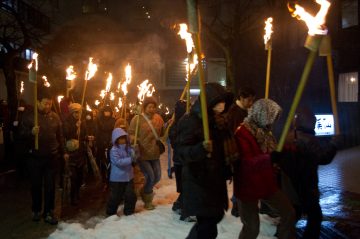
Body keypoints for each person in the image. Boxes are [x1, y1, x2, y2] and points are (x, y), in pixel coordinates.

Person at [177, 83, 236, 239]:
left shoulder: (218, 122)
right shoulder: (191, 121)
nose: (221, 105)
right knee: (208, 226)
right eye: (218, 102)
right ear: (209, 102)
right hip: (199, 180)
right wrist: (200, 149)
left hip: (214, 180)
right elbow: (181, 152)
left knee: (214, 218)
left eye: (223, 101)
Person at [233, 98, 296, 239]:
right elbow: (246, 164)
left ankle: (283, 235)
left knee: (288, 212)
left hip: (265, 182)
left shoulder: (265, 132)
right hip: (247, 186)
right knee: (252, 228)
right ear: (262, 114)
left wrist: (288, 149)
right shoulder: (242, 133)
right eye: (271, 117)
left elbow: (273, 151)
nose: (272, 122)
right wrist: (271, 158)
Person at [273, 107, 338, 239]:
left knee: (293, 213)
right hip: (306, 184)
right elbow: (323, 158)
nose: (314, 122)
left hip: (290, 183)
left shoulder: (287, 136)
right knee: (315, 216)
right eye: (312, 120)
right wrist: (334, 144)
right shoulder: (308, 140)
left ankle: (280, 235)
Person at [19, 86, 65, 225]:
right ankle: (36, 210)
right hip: (34, 158)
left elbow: (60, 136)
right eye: (45, 103)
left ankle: (49, 212)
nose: (48, 106)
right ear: (37, 102)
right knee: (36, 185)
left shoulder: (54, 116)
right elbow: (20, 134)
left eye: (50, 103)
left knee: (50, 186)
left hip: (51, 157)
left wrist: (63, 152)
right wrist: (30, 133)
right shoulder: (29, 116)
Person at [128, 96, 164, 210]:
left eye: (153, 107)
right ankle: (147, 199)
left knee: (157, 176)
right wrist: (133, 139)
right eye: (149, 107)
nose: (152, 109)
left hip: (154, 152)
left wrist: (168, 125)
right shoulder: (137, 119)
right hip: (143, 153)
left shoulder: (158, 118)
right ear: (144, 107)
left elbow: (162, 132)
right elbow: (131, 133)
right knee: (150, 176)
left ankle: (144, 191)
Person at [226, 87, 255, 217]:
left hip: (241, 151)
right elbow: (235, 134)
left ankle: (238, 204)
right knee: (240, 179)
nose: (251, 103)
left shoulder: (243, 111)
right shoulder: (235, 113)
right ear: (242, 98)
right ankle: (237, 207)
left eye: (252, 100)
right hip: (237, 152)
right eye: (249, 100)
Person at [169, 100, 195, 222]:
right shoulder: (175, 126)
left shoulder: (186, 123)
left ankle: (179, 205)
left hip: (186, 160)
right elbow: (177, 144)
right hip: (181, 161)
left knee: (187, 187)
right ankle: (185, 212)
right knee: (186, 187)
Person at [106, 127, 137, 216]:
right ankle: (111, 213)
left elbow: (134, 156)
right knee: (115, 197)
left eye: (124, 138)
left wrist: (135, 151)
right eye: (120, 138)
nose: (122, 140)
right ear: (115, 139)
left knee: (130, 196)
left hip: (128, 177)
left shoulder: (129, 148)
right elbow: (118, 162)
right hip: (117, 178)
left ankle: (129, 212)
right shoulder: (114, 150)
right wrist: (130, 159)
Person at [63, 103, 86, 205]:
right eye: (76, 112)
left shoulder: (82, 122)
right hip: (71, 152)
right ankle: (72, 197)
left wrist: (86, 135)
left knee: (80, 176)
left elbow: (83, 135)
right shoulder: (66, 122)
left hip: (80, 152)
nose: (78, 114)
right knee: (74, 176)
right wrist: (75, 127)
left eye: (79, 112)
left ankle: (77, 193)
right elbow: (66, 134)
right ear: (72, 112)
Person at [96, 105, 115, 184]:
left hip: (110, 142)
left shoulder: (113, 120)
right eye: (105, 111)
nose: (107, 113)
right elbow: (98, 131)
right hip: (101, 143)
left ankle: (110, 176)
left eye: (108, 111)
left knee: (110, 160)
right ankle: (103, 176)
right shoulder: (99, 120)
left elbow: (113, 130)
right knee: (103, 160)